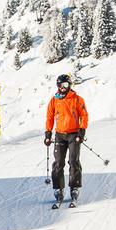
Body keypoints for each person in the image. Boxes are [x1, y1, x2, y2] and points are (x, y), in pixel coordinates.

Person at [44, 73, 89, 207]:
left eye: (65, 85)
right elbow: (50, 117)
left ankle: (74, 188)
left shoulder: (77, 99)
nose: (62, 88)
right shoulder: (54, 100)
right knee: (58, 162)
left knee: (73, 161)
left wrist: (81, 132)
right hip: (60, 134)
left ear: (69, 85)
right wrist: (48, 133)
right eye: (60, 85)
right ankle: (58, 188)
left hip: (74, 134)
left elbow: (84, 115)